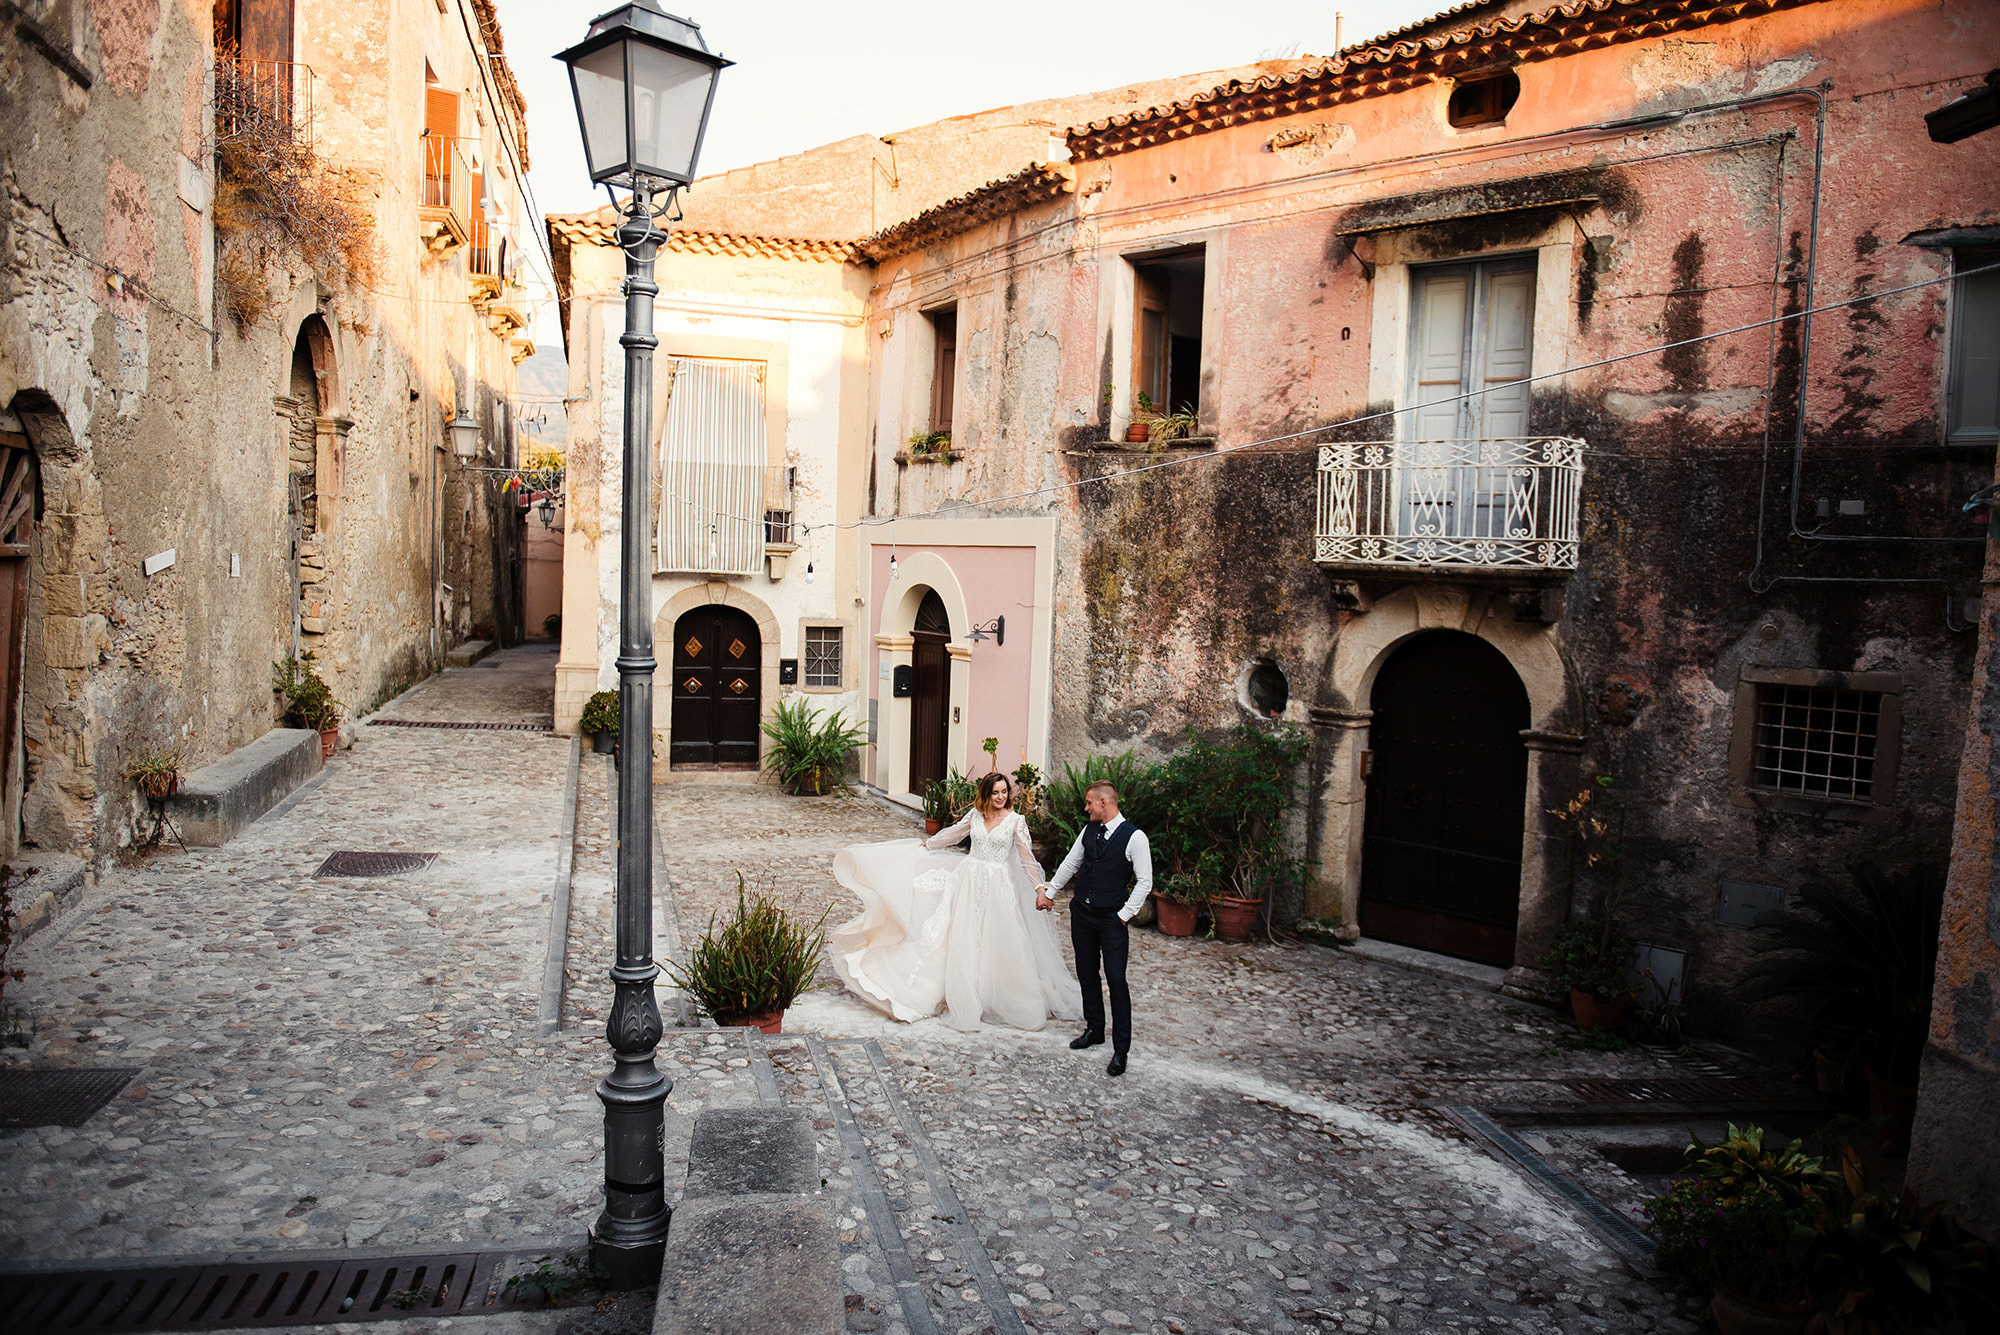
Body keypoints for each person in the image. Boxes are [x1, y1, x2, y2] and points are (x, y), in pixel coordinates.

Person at [828, 771, 1083, 1031]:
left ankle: (1001, 994)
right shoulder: (975, 816)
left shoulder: (1015, 822)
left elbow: (1026, 857)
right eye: (995, 792)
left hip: (998, 886)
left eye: (1004, 792)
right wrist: (926, 847)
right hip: (969, 881)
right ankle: (964, 992)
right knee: (963, 935)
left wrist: (1039, 887)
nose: (1000, 797)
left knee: (1002, 939)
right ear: (986, 793)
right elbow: (953, 834)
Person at [1036, 780, 1151, 1076]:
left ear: (1104, 803)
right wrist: (1049, 893)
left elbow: (1145, 882)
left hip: (1112, 920)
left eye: (1089, 802)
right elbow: (1070, 863)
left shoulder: (1135, 838)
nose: (1085, 808)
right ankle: (1094, 1029)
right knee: (1086, 974)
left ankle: (1120, 1050)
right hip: (1082, 916)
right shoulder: (1088, 831)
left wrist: (1123, 916)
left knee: (1116, 981)